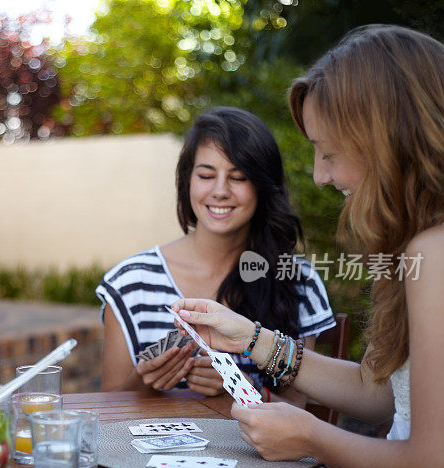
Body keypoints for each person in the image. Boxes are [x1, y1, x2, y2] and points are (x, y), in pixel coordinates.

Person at [172, 25, 444, 468]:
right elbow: (383, 392)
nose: (319, 174)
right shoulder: (430, 243)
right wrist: (251, 339)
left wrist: (311, 436)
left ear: (391, 140)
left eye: (329, 151)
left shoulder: (439, 251)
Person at [96, 107, 335, 403]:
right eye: (207, 175)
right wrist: (143, 380)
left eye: (238, 177)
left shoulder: (297, 280)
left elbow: (303, 412)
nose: (220, 191)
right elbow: (105, 408)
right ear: (188, 181)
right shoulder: (130, 283)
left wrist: (239, 387)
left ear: (262, 187)